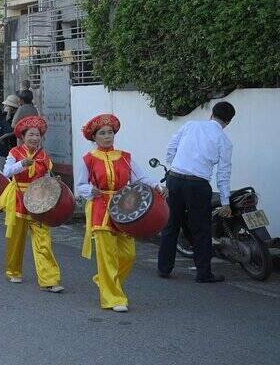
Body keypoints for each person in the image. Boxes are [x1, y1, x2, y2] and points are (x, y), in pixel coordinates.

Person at [75, 114, 163, 312]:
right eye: (102, 133)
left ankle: (103, 280)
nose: (107, 137)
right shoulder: (88, 159)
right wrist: (90, 191)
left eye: (110, 133)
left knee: (128, 254)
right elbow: (80, 185)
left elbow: (141, 178)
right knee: (106, 255)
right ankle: (113, 298)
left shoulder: (125, 157)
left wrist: (157, 186)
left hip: (125, 208)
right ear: (94, 137)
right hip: (100, 207)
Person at [157, 101, 235, 283]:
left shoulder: (190, 125)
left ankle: (164, 269)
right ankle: (203, 273)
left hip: (175, 179)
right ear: (228, 122)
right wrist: (225, 202)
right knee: (201, 229)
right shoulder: (225, 141)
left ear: (211, 114)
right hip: (198, 185)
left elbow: (171, 148)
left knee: (170, 225)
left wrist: (173, 165)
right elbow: (223, 174)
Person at [0, 115, 63, 292]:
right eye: (31, 135)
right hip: (19, 196)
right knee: (16, 238)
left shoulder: (44, 155)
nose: (34, 138)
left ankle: (49, 279)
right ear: (23, 136)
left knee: (43, 239)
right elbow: (6, 172)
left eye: (37, 135)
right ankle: (13, 271)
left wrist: (53, 182)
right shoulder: (15, 153)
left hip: (39, 199)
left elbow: (46, 176)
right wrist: (21, 164)